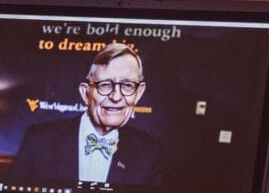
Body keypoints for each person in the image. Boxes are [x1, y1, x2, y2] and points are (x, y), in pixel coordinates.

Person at [9, 44, 165, 185]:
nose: (116, 97)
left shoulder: (151, 153)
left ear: (138, 93)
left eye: (128, 85)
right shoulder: (38, 140)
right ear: (85, 93)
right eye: (104, 85)